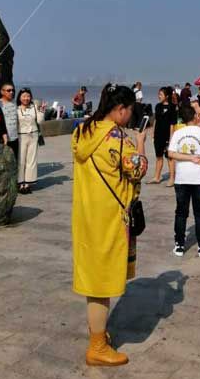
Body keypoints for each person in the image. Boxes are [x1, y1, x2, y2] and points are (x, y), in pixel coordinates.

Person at [71, 84, 147, 367]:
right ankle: (97, 346)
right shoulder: (118, 139)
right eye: (130, 110)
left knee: (93, 278)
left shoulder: (82, 131)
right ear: (121, 109)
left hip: (86, 215)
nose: (130, 116)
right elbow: (138, 169)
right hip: (110, 218)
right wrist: (140, 142)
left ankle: (98, 332)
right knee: (101, 284)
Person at [167, 104, 200, 257]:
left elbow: (171, 153)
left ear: (182, 119)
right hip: (199, 178)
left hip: (182, 179)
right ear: (195, 116)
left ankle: (179, 245)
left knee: (181, 213)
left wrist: (187, 158)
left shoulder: (177, 133)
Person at [16, 87, 44, 194]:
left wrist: (41, 111)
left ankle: (28, 183)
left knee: (31, 160)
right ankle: (20, 183)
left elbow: (40, 121)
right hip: (21, 136)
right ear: (19, 97)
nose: (26, 98)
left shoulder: (34, 108)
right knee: (21, 160)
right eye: (24, 96)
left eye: (28, 96)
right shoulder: (16, 109)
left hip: (33, 135)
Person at [149, 87, 177, 184]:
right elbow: (156, 120)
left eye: (161, 94)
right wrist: (153, 132)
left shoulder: (172, 107)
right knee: (159, 156)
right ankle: (156, 177)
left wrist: (171, 137)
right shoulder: (158, 106)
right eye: (159, 94)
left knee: (169, 157)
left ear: (167, 96)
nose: (159, 96)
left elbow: (172, 124)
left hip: (167, 135)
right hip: (158, 135)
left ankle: (172, 179)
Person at [0, 82, 19, 160]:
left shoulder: (15, 102)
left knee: (16, 159)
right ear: (2, 92)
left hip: (16, 137)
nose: (11, 92)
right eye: (8, 90)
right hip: (4, 139)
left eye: (12, 90)